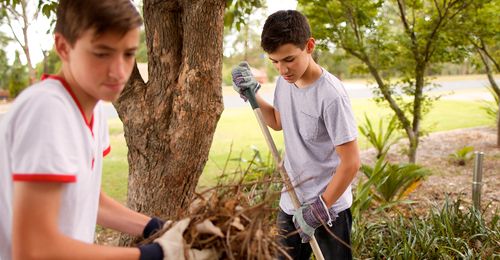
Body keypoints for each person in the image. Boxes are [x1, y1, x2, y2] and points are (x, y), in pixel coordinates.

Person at [0, 1, 213, 259]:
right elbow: (34, 249)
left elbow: (93, 202)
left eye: (128, 54)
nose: (119, 71)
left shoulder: (94, 104)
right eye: (102, 54)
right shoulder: (48, 110)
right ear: (63, 47)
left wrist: (162, 228)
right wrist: (155, 254)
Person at [232, 10, 361, 260]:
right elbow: (279, 122)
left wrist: (320, 208)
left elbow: (351, 162)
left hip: (329, 209)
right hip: (291, 202)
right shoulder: (286, 82)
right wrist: (252, 95)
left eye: (289, 59)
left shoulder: (331, 96)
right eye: (275, 62)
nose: (282, 69)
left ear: (309, 46)